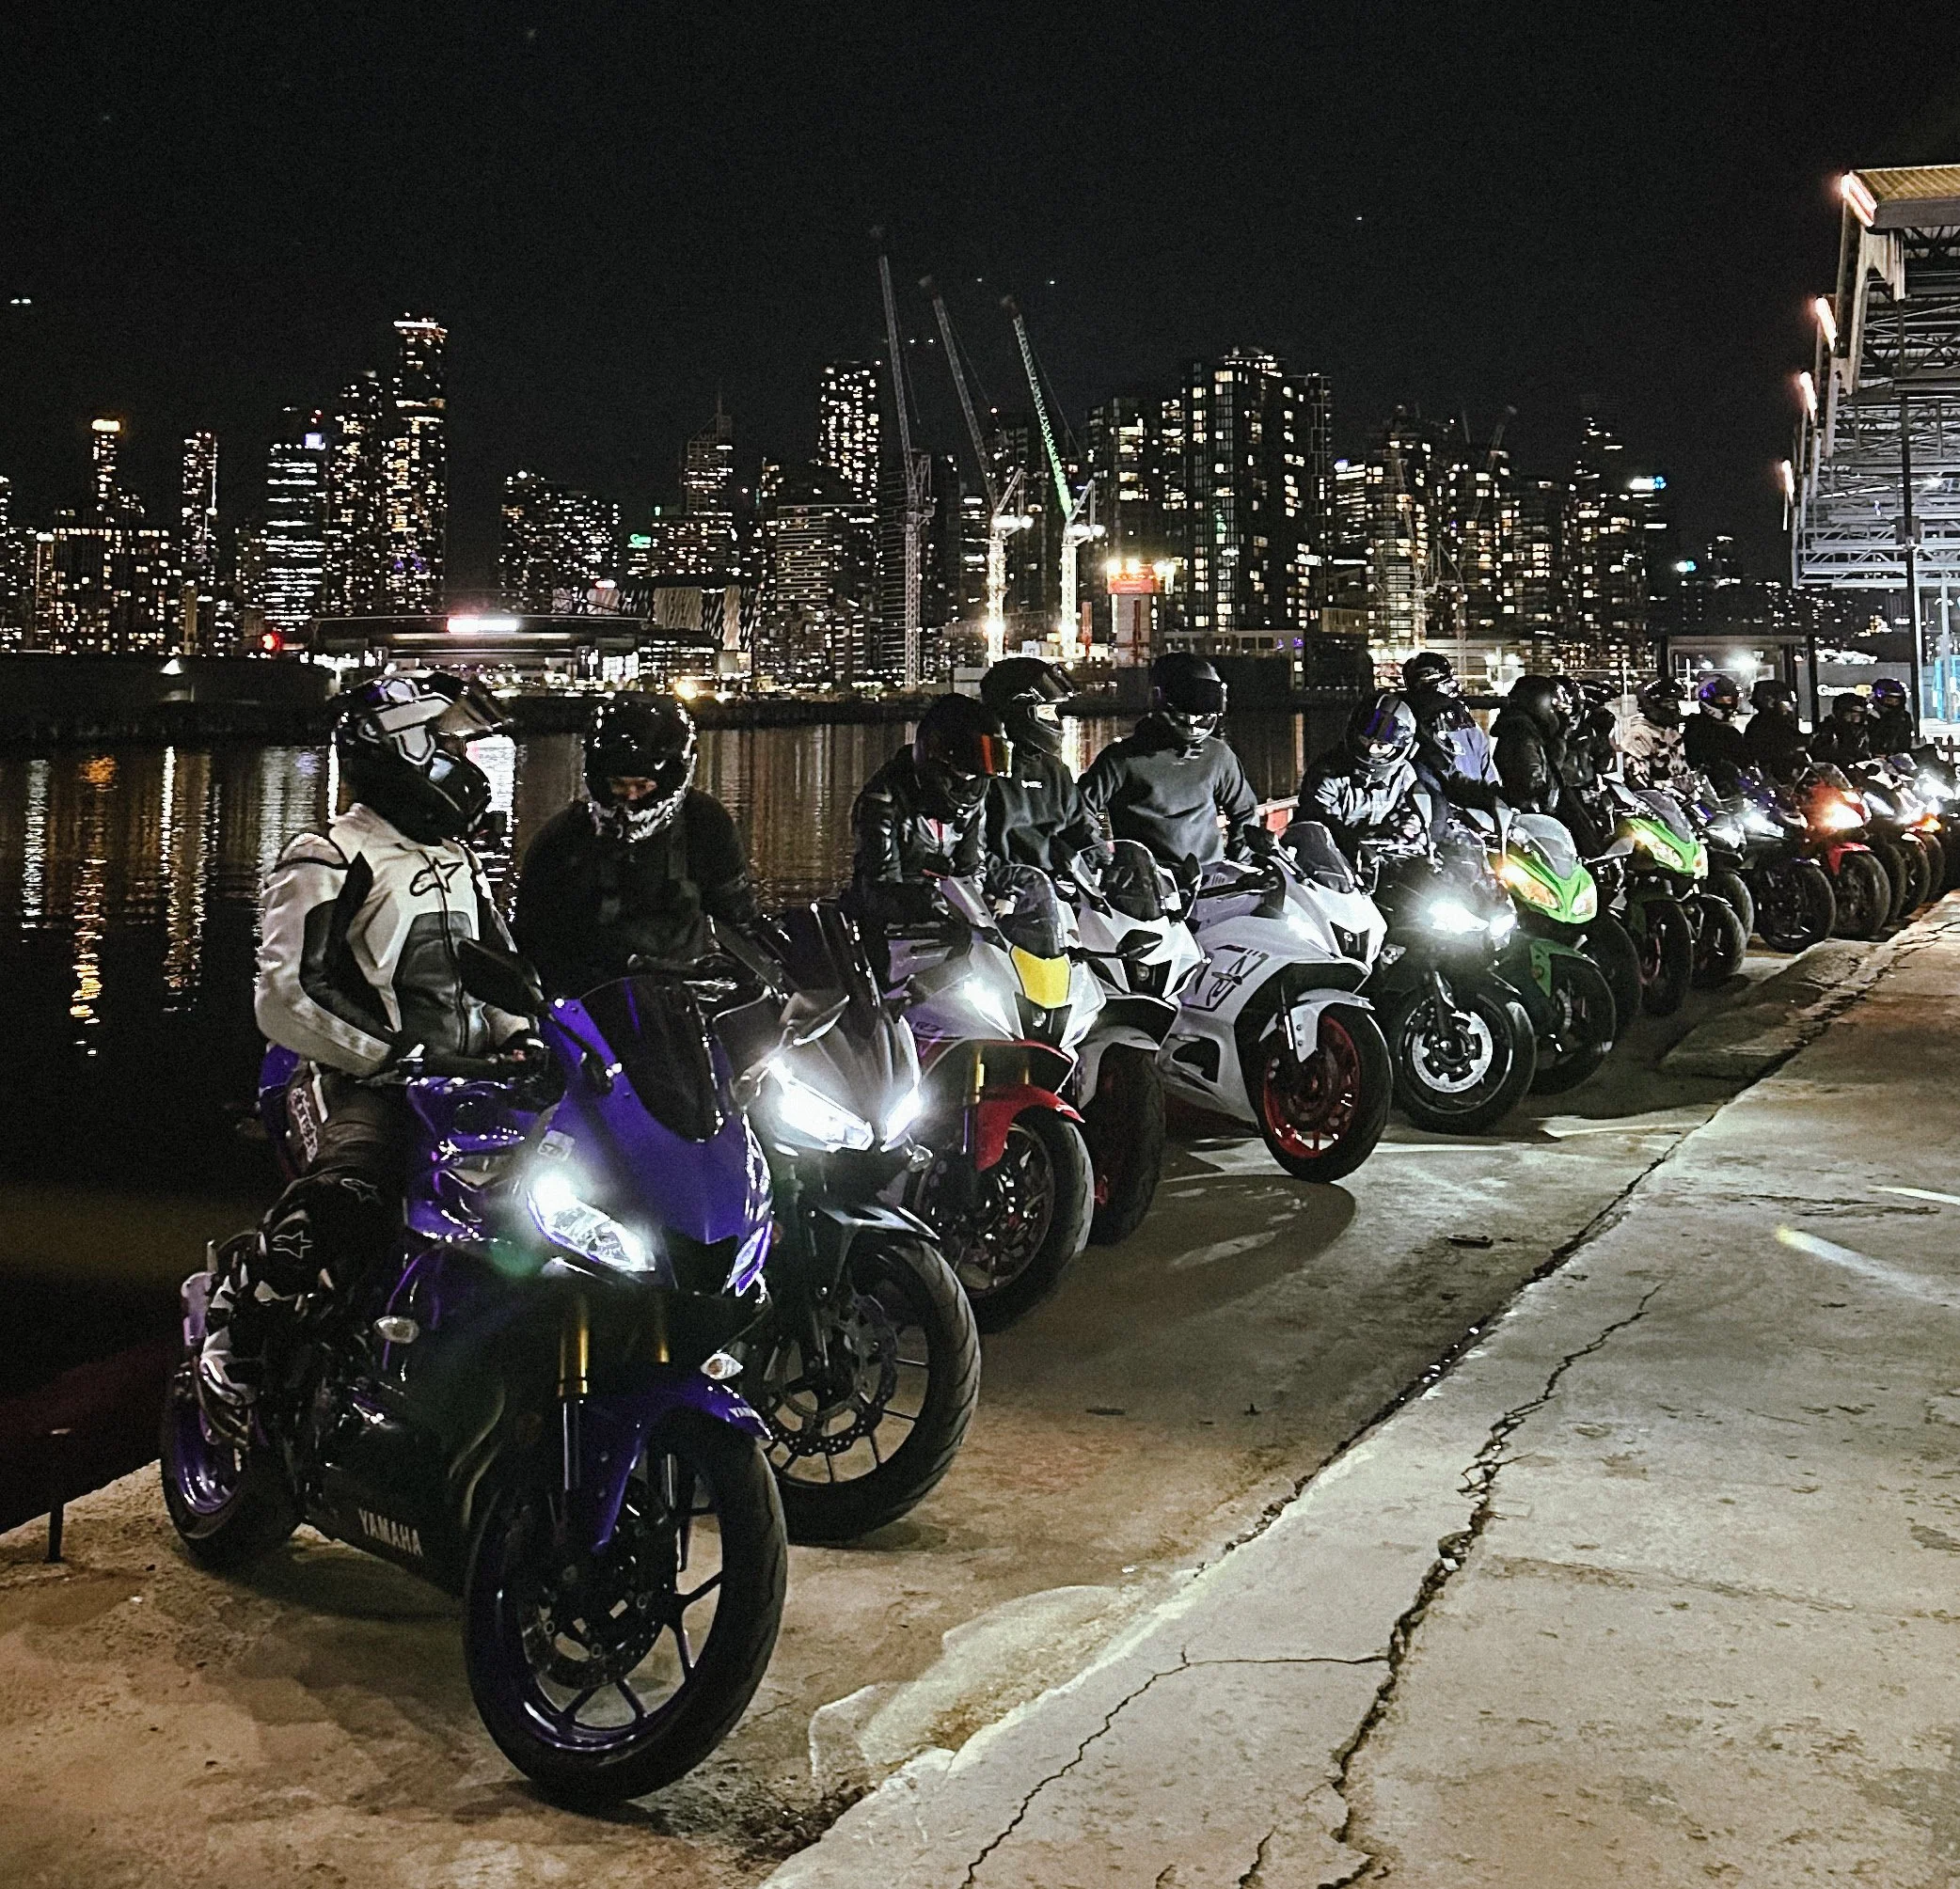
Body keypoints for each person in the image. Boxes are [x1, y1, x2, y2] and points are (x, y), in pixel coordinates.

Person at [199, 672, 538, 1439]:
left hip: (460, 1082)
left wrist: (523, 1035)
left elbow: (497, 974)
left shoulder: (460, 858)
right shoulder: (329, 854)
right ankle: (240, 1320)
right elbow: (285, 993)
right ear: (398, 749)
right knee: (353, 1194)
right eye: (443, 741)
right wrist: (388, 1053)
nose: (459, 756)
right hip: (349, 1079)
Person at [514, 693, 760, 998]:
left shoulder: (705, 822)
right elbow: (531, 939)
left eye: (643, 786)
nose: (630, 796)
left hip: (686, 1000)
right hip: (590, 1004)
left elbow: (737, 917)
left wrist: (752, 977)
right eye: (618, 784)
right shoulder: (561, 839)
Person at [846, 692, 1012, 930]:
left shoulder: (973, 801)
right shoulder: (883, 800)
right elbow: (880, 886)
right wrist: (933, 902)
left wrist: (988, 900)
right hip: (894, 934)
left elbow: (972, 869)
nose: (969, 781)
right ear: (940, 753)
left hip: (952, 924)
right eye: (965, 771)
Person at [1079, 652, 1259, 870]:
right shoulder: (1121, 760)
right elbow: (1080, 809)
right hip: (1147, 887)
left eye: (1204, 702)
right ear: (1160, 698)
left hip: (1209, 883)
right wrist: (1100, 855)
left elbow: (1245, 813)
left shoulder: (1218, 756)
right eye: (1188, 702)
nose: (1194, 717)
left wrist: (1237, 866)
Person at [978, 656, 1106, 875]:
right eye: (1046, 711)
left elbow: (1082, 832)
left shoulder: (1056, 771)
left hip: (1057, 895)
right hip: (1004, 897)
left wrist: (1105, 862)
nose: (1055, 721)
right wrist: (1004, 883)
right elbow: (974, 847)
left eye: (1055, 712)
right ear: (1017, 710)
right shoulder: (982, 770)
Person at [1295, 690, 1430, 865]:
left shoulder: (1403, 774)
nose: (1372, 750)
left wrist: (1410, 826)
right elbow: (1317, 818)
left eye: (1381, 746)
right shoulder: (1328, 771)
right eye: (1366, 740)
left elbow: (1409, 812)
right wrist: (1351, 843)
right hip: (1333, 861)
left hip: (1384, 859)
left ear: (1398, 747)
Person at [1400, 650, 1500, 830]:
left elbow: (1487, 773)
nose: (1453, 689)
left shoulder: (1466, 724)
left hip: (1476, 819)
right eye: (1447, 684)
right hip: (1443, 821)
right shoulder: (1414, 730)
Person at [1683, 672, 1749, 794]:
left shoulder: (1732, 732)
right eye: (1722, 699)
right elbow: (1696, 764)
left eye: (1730, 699)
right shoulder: (1696, 730)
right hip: (1710, 794)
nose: (1727, 704)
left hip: (1736, 792)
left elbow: (1746, 762)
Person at [1620, 676, 1689, 791]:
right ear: (1652, 703)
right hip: (1659, 802)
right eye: (1667, 702)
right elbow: (1641, 784)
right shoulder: (1639, 733)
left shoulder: (1671, 732)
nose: (1673, 708)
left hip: (1684, 798)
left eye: (1675, 703)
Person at [1743, 679, 1810, 784]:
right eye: (1786, 703)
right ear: (1770, 702)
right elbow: (1781, 744)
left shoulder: (1776, 722)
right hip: (1775, 783)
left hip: (1786, 781)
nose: (1789, 709)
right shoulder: (1763, 724)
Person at [1809, 690, 1875, 768]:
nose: (1855, 718)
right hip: (1833, 773)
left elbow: (1869, 754)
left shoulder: (1864, 732)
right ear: (1840, 713)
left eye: (1859, 715)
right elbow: (1821, 756)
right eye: (1852, 714)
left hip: (1858, 775)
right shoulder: (1827, 731)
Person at [1868, 675, 1917, 755]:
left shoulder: (1904, 717)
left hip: (1900, 760)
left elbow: (1907, 739)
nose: (1893, 704)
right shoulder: (1870, 717)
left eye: (1896, 701)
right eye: (1889, 700)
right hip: (1873, 760)